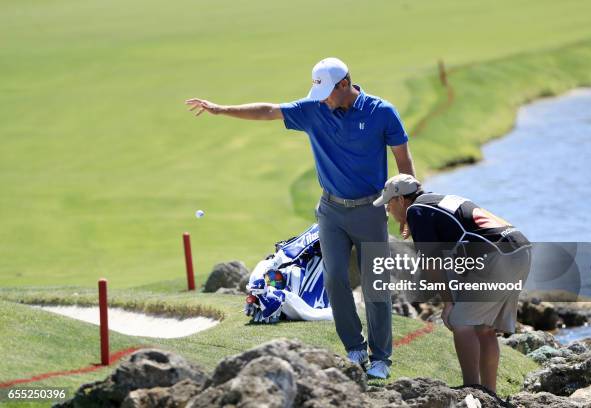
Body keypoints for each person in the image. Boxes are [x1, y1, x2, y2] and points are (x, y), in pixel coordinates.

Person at [186, 57, 415, 378]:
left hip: (370, 210)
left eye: (327, 92)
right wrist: (222, 109)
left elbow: (403, 160)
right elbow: (268, 110)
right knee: (334, 279)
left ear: (345, 84)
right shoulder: (314, 109)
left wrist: (408, 207)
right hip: (331, 211)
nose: (321, 99)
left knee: (375, 285)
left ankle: (381, 359)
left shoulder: (381, 112)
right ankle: (354, 347)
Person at [374, 174, 531, 392]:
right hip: (521, 249)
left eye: (389, 204)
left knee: (460, 322)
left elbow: (432, 262)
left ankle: (472, 390)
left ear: (401, 200)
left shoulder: (416, 211)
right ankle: (488, 395)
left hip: (496, 256)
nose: (388, 211)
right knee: (485, 328)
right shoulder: (434, 200)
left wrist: (448, 303)